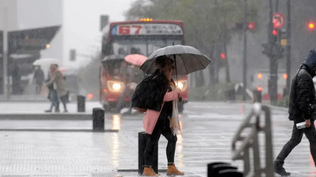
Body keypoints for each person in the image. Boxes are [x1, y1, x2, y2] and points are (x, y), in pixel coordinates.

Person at [132, 56, 184, 176]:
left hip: (163, 117)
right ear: (166, 68)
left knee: (172, 138)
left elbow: (168, 95)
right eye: (171, 68)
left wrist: (176, 93)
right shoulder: (158, 80)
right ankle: (147, 168)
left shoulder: (166, 79)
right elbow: (163, 97)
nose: (173, 70)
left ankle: (170, 166)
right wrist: (175, 93)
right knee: (152, 141)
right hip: (156, 116)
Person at [274, 49, 316, 176]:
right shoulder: (304, 76)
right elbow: (303, 99)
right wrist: (307, 118)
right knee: (314, 141)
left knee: (295, 140)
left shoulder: (301, 73)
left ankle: (278, 163)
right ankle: (277, 163)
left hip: (300, 115)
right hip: (303, 117)